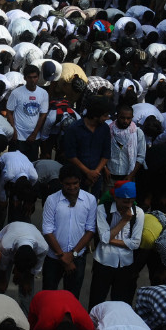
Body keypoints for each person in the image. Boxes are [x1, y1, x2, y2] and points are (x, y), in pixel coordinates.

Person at [41, 165, 97, 297]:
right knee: (48, 297)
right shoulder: (52, 200)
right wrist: (62, 256)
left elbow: (90, 230)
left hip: (77, 258)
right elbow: (47, 230)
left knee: (72, 299)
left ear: (80, 182)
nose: (72, 187)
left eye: (75, 183)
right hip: (54, 258)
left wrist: (72, 255)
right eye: (68, 184)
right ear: (61, 182)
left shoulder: (90, 200)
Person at [90, 181, 145, 306]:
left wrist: (109, 239)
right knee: (96, 301)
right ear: (116, 198)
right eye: (125, 202)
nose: (129, 205)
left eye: (132, 201)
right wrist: (124, 221)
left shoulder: (139, 213)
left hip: (125, 264)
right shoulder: (102, 209)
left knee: (120, 303)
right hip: (103, 261)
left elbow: (135, 243)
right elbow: (103, 238)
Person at [63, 96, 111, 192]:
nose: (107, 118)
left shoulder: (105, 128)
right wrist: (88, 172)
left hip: (97, 177)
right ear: (96, 115)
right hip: (77, 178)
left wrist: (95, 172)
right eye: (105, 115)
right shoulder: (74, 129)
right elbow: (70, 155)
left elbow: (106, 154)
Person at [5, 64, 48, 160]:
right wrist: (14, 131)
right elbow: (9, 113)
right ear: (25, 78)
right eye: (29, 77)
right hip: (18, 137)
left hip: (34, 138)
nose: (32, 80)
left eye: (35, 77)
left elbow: (43, 115)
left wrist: (34, 134)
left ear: (38, 77)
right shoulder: (16, 93)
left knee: (31, 164)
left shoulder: (43, 93)